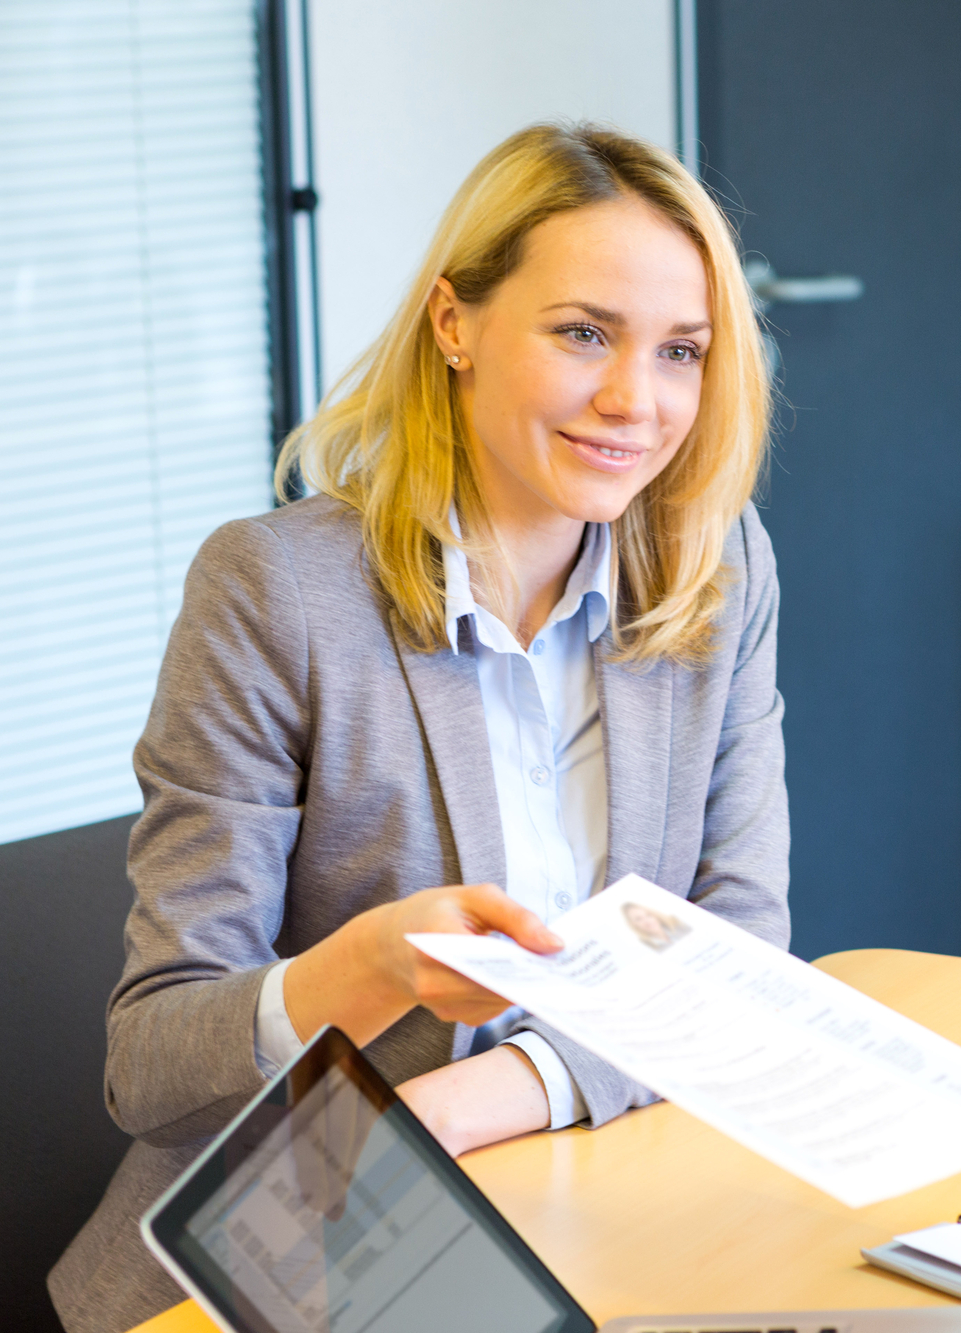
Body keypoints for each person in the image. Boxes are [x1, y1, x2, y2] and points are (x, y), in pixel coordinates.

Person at [50, 123, 788, 1333]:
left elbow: (738, 955)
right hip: (309, 1239)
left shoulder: (713, 569)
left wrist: (489, 1096)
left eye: (681, 351)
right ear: (455, 324)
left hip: (579, 1181)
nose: (633, 402)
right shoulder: (278, 591)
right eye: (582, 333)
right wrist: (368, 968)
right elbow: (152, 1064)